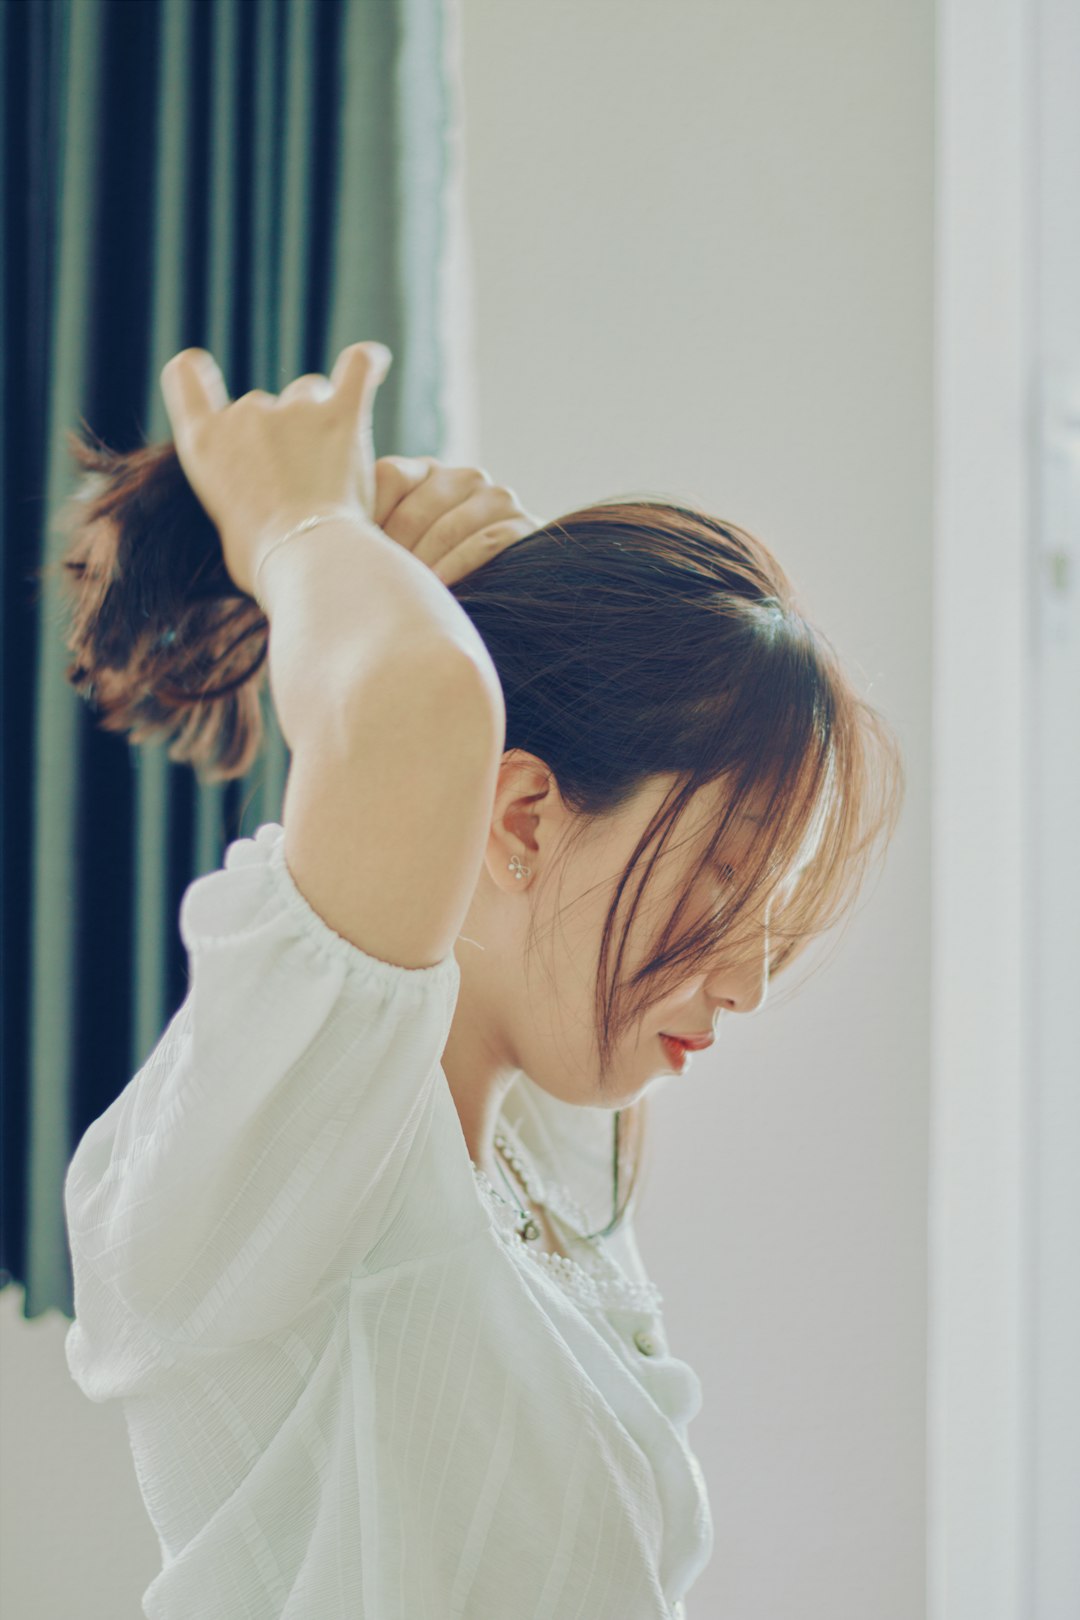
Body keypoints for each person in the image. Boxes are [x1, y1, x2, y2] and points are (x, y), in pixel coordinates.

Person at [59, 342, 904, 1618]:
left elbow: (448, 701)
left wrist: (436, 571)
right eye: (726, 884)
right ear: (514, 819)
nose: (749, 981)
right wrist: (300, 524)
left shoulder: (547, 1144)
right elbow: (420, 707)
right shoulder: (292, 1136)